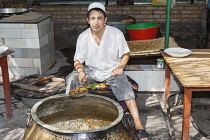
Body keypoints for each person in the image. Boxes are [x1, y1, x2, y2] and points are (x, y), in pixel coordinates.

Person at [65, 2, 150, 140]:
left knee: (125, 86)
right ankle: (71, 116)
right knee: (71, 79)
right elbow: (77, 61)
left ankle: (138, 125)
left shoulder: (115, 34)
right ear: (88, 20)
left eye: (99, 18)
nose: (96, 22)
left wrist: (120, 67)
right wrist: (81, 72)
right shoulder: (83, 37)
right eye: (92, 18)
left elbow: (125, 54)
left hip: (112, 71)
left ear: (105, 19)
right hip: (91, 71)